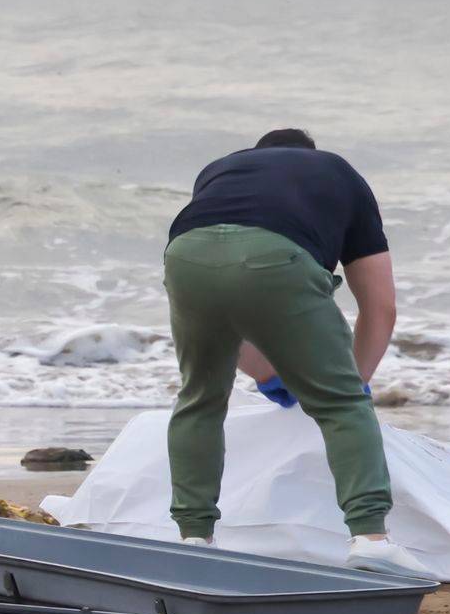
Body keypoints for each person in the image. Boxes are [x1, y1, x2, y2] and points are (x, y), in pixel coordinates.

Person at [162, 128, 426, 577]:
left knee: (200, 398)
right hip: (275, 257)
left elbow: (232, 308)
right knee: (342, 403)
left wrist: (268, 377)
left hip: (185, 256)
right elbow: (380, 307)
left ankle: (194, 538)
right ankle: (370, 539)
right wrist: (352, 384)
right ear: (310, 156)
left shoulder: (220, 170)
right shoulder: (337, 173)